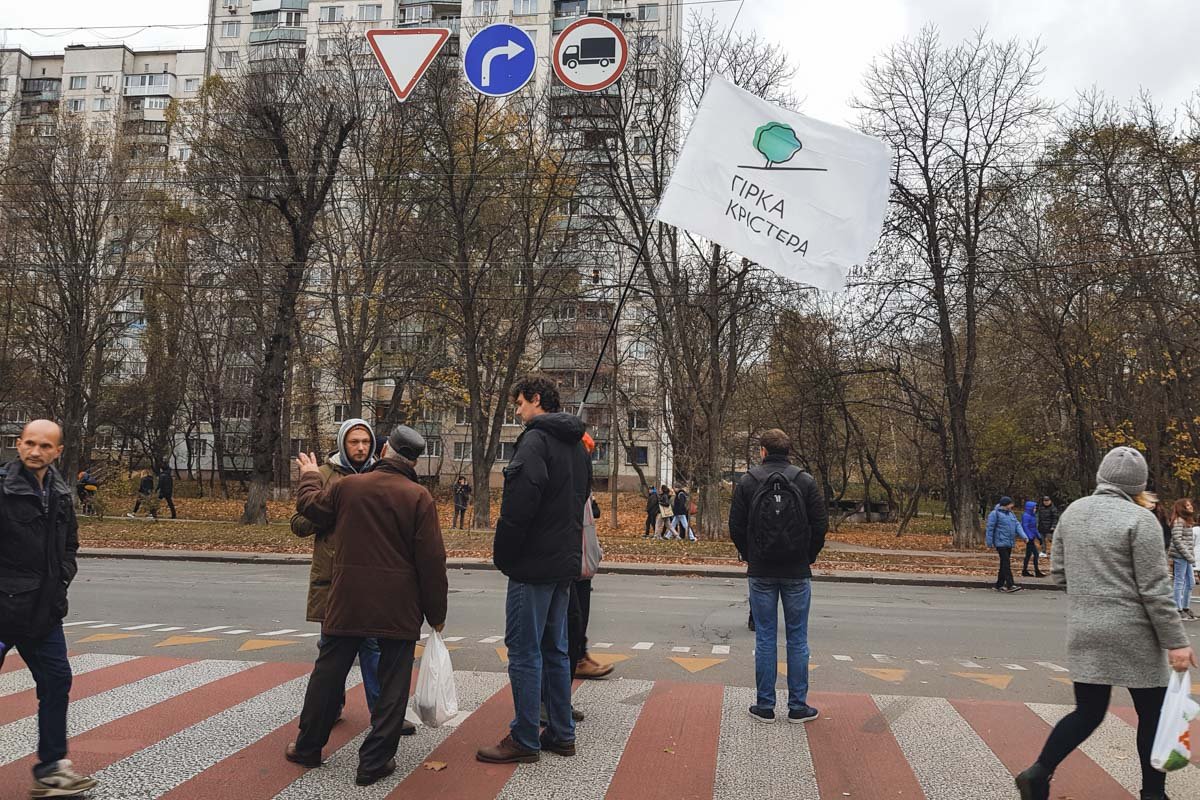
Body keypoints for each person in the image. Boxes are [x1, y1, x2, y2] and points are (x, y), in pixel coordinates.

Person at [1016, 446, 1198, 800]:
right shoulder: (1140, 520)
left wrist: (1092, 595)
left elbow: (1059, 574)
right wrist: (1176, 641)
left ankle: (1039, 772)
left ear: (1101, 475)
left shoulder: (1072, 513)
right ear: (1138, 484)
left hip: (1086, 628)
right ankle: (1153, 794)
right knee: (1153, 713)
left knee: (1088, 712)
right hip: (1134, 634)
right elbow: (1155, 589)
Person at [287, 425, 448, 787]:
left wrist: (311, 477)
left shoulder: (347, 488)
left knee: (328, 674)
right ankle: (374, 763)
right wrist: (436, 614)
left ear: (384, 449)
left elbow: (310, 508)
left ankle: (308, 747)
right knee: (393, 683)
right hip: (399, 606)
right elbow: (432, 562)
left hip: (346, 601)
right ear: (414, 460)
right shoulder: (419, 497)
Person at [477, 374, 590, 765]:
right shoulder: (577, 446)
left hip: (533, 564)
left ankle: (525, 737)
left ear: (536, 399)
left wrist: (504, 556)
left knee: (524, 652)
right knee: (556, 651)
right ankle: (561, 732)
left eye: (520, 404)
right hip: (564, 563)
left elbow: (518, 507)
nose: (518, 411)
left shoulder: (535, 440)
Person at [0, 420, 97, 797]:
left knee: (56, 682)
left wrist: (60, 582)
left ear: (57, 451)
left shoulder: (59, 490)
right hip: (3, 611)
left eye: (44, 446)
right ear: (19, 445)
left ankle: (52, 769)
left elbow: (68, 544)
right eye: (28, 443)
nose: (34, 451)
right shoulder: (4, 488)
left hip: (43, 613)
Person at [729, 428, 828, 725]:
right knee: (798, 638)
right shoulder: (805, 481)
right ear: (789, 451)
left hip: (761, 571)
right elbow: (820, 526)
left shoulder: (748, 481)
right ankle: (798, 707)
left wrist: (751, 555)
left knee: (766, 637)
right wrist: (807, 556)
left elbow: (736, 526)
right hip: (797, 571)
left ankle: (765, 706)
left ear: (762, 451)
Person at [290, 418, 385, 720]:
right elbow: (299, 524)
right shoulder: (323, 475)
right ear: (343, 442)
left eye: (365, 442)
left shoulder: (381, 474)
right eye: (354, 441)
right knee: (331, 648)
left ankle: (381, 712)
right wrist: (332, 513)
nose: (360, 447)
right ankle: (330, 708)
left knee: (373, 648)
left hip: (372, 578)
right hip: (334, 578)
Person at [985, 497, 1024, 593]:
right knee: (1006, 563)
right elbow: (990, 528)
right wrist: (989, 542)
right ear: (1006, 504)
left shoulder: (1011, 514)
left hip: (1009, 542)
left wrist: (1024, 536)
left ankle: (999, 584)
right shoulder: (995, 514)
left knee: (1004, 563)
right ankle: (1010, 584)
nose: (1012, 506)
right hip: (1000, 542)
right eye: (1010, 504)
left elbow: (1017, 525)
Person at [1168, 498, 1196, 620]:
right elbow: (1177, 540)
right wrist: (1189, 556)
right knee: (1179, 582)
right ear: (1182, 508)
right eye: (1188, 505)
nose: (1191, 507)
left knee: (1190, 582)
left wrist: (1190, 556)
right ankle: (1177, 609)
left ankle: (1185, 607)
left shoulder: (1186, 520)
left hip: (1186, 556)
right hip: (1180, 556)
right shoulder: (1179, 521)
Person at [1021, 500, 1045, 578]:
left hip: (1031, 538)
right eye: (1034, 508)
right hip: (1029, 538)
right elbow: (1025, 527)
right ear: (1030, 508)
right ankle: (1036, 571)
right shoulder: (1026, 516)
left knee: (1028, 555)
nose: (1035, 509)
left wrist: (1039, 537)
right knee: (1036, 554)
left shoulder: (1032, 516)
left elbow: (1034, 528)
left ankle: (1024, 571)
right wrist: (1030, 537)